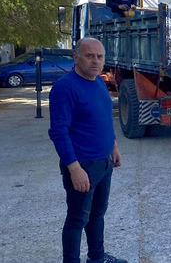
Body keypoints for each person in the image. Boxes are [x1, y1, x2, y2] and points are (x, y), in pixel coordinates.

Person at [49, 37, 127, 263]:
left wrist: (114, 146)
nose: (96, 61)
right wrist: (74, 168)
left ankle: (97, 258)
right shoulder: (65, 87)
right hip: (82, 165)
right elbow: (58, 132)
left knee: (97, 215)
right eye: (89, 56)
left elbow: (104, 118)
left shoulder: (99, 82)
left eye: (100, 56)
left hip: (104, 163)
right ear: (76, 57)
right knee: (77, 219)